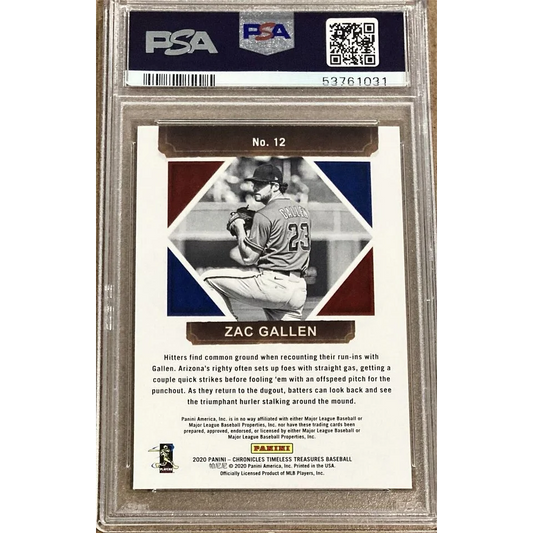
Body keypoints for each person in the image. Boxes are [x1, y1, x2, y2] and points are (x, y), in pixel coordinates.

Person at [202, 163, 311, 321]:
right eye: (254, 183)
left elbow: (249, 258)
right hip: (299, 289)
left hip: (273, 285)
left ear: (275, 186)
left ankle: (230, 326)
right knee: (285, 337)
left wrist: (239, 227)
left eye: (260, 184)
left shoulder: (264, 214)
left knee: (207, 279)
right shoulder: (303, 211)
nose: (254, 187)